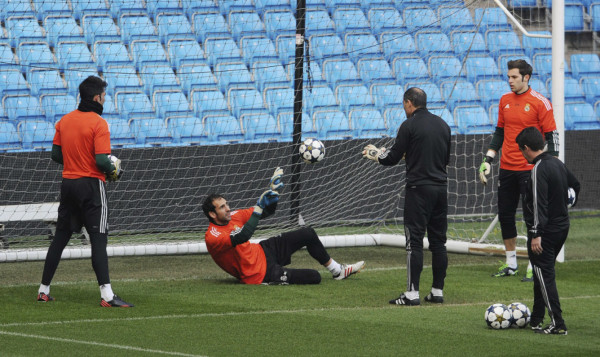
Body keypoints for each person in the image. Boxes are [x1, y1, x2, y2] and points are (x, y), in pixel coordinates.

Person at [37, 76, 133, 307]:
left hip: (68, 184)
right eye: (104, 97)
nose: (104, 100)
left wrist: (76, 162)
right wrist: (114, 170)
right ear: (97, 97)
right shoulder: (99, 123)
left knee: (60, 237)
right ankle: (107, 296)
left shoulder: (64, 121)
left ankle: (43, 290)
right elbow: (102, 161)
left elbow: (55, 156)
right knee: (98, 239)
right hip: (91, 186)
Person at [362, 87, 451, 306]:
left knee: (414, 243)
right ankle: (437, 292)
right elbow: (443, 159)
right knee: (439, 242)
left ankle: (412, 294)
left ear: (409, 103)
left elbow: (391, 158)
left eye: (404, 104)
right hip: (440, 189)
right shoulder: (443, 125)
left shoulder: (408, 125)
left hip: (418, 190)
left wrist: (375, 154)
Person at [202, 167, 365, 285]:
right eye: (222, 207)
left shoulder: (235, 215)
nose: (228, 208)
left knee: (307, 233)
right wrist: (258, 209)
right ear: (212, 214)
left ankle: (338, 271)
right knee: (314, 277)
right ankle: (274, 280)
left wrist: (274, 196)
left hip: (263, 250)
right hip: (258, 274)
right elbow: (243, 236)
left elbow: (267, 212)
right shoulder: (212, 236)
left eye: (227, 204)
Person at [479, 59, 559, 282]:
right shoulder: (504, 100)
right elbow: (499, 133)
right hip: (507, 168)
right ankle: (511, 262)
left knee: (533, 217)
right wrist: (488, 160)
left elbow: (552, 136)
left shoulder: (540, 102)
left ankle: (536, 265)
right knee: (505, 215)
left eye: (514, 77)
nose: (510, 81)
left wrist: (550, 167)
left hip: (530, 170)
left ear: (526, 78)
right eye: (508, 77)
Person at [516, 127, 580, 335]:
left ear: (526, 148)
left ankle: (557, 323)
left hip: (546, 231)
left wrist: (535, 234)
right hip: (562, 226)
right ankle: (536, 318)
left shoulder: (539, 168)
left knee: (545, 274)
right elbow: (576, 185)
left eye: (521, 150)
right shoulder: (557, 163)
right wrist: (566, 204)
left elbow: (538, 205)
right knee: (540, 272)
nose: (522, 154)